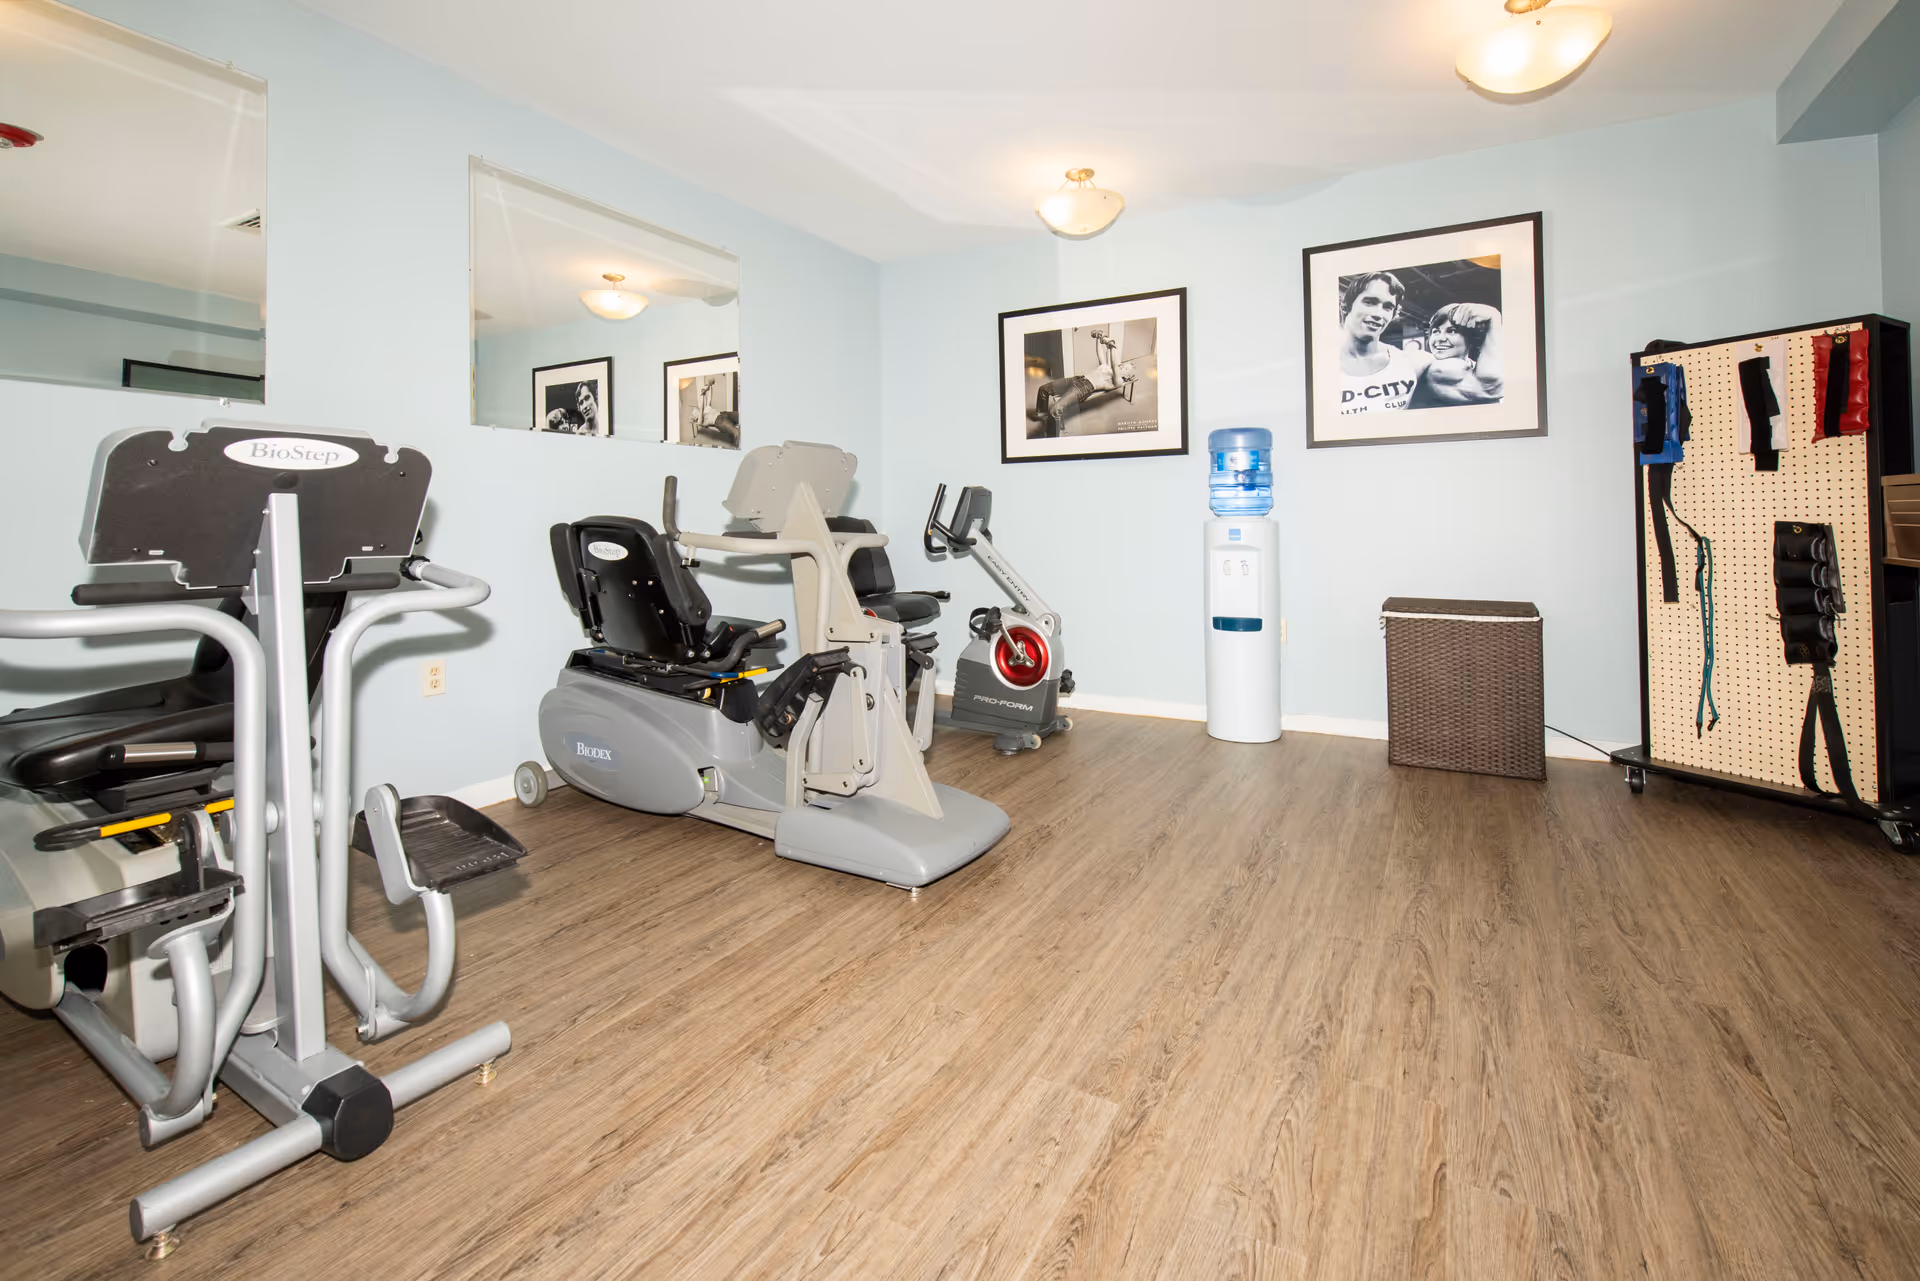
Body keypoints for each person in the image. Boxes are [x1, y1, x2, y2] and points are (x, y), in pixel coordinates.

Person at [1336, 272, 1428, 415]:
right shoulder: (1317, 366)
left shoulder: (1412, 362)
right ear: (1346, 306)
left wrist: (1473, 312)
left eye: (1387, 307)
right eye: (1369, 302)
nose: (1378, 314)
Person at [1028, 326, 1137, 437]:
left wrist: (1112, 347)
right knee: (1044, 389)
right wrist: (1098, 339)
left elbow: (1114, 365)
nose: (1122, 366)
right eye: (1124, 365)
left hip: (1085, 387)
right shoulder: (1106, 368)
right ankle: (1041, 414)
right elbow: (1099, 354)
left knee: (1055, 410)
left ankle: (1052, 438)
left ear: (1126, 376)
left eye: (1126, 368)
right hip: (1078, 378)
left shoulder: (1117, 381)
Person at [1408, 303, 1504, 408]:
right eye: (1436, 331)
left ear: (1472, 338)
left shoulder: (1471, 365)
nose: (1440, 338)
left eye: (1452, 331)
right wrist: (1494, 317)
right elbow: (1491, 388)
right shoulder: (1440, 369)